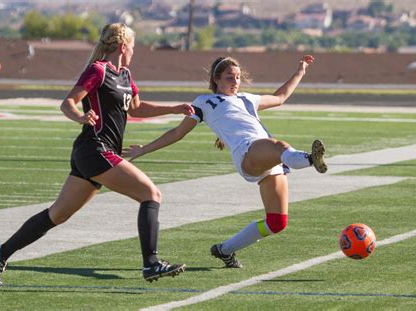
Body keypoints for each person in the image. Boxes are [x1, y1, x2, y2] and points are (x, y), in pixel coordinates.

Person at [0, 23, 191, 285]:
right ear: (122, 46)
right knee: (151, 194)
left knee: (56, 215)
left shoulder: (126, 75)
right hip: (95, 148)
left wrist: (172, 109)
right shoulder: (98, 70)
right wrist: (81, 117)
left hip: (96, 153)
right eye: (133, 47)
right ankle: (151, 264)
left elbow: (136, 109)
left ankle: (1, 252)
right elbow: (67, 103)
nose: (133, 52)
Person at [124, 55, 327, 268]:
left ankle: (224, 250)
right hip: (248, 153)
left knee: (277, 223)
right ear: (216, 79)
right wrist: (144, 149)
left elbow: (281, 97)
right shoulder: (205, 102)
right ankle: (309, 159)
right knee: (280, 146)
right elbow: (177, 132)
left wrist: (300, 71)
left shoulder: (247, 98)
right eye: (230, 77)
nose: (236, 81)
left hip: (271, 160)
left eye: (238, 77)